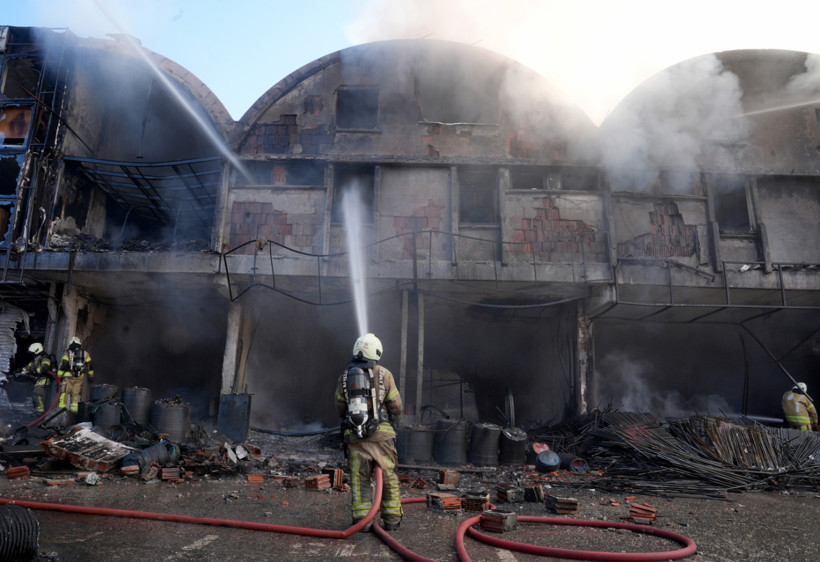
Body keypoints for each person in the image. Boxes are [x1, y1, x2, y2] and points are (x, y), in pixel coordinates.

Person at [335, 333, 403, 532]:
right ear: (377, 351)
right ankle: (392, 521)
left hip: (355, 438)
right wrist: (393, 418)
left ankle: (362, 522)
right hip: (382, 438)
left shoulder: (345, 376)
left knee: (359, 478)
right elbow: (396, 405)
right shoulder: (385, 374)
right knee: (388, 477)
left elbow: (339, 406)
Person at [57, 336, 94, 414]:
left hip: (68, 376)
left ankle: (60, 413)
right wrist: (91, 376)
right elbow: (90, 366)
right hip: (79, 377)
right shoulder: (85, 353)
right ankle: (73, 413)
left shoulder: (68, 352)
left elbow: (63, 365)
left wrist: (59, 376)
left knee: (64, 394)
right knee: (75, 395)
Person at [19, 342, 55, 414]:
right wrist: (21, 371)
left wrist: (35, 371)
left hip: (44, 379)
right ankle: (37, 409)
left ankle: (39, 411)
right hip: (39, 379)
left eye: (33, 353)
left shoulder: (45, 358)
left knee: (36, 393)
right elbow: (29, 366)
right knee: (34, 393)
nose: (32, 354)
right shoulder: (35, 359)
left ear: (37, 351)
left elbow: (45, 367)